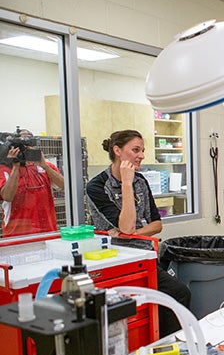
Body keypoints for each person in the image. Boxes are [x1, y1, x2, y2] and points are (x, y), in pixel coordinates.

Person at [86, 129, 191, 338]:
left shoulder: (141, 181)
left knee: (179, 293)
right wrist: (125, 182)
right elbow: (126, 225)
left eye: (142, 150)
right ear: (117, 150)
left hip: (146, 255)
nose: (141, 155)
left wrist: (134, 232)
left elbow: (156, 224)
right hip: (117, 263)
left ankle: (172, 345)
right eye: (135, 150)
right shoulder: (97, 187)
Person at [0, 129, 64, 238]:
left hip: (47, 232)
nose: (26, 149)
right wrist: (15, 166)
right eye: (22, 145)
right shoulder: (5, 169)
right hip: (16, 234)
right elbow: (7, 196)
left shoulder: (45, 166)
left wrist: (45, 166)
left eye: (29, 144)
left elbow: (63, 186)